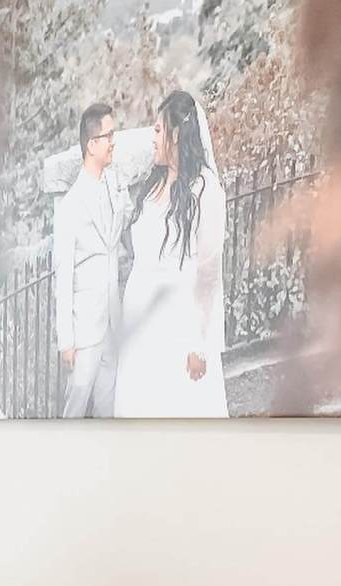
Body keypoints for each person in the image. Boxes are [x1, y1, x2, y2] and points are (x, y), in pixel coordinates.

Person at [113, 91, 229, 418]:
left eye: (158, 130)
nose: (153, 138)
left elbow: (208, 273)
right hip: (141, 325)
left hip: (178, 325)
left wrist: (198, 344)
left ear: (176, 134)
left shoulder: (206, 189)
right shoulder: (154, 184)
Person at [54, 102, 130, 418]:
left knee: (107, 407)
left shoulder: (114, 186)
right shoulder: (70, 205)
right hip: (84, 329)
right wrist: (66, 341)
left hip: (112, 320)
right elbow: (63, 276)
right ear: (91, 145)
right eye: (108, 135)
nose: (114, 141)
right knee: (75, 406)